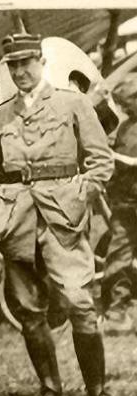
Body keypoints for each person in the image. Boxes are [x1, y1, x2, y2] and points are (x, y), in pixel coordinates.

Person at [0, 33, 124, 396]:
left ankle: (98, 394)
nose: (21, 72)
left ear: (41, 62)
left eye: (27, 63)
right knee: (28, 311)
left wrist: (80, 197)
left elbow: (99, 161)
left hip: (63, 219)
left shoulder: (72, 102)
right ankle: (51, 393)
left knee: (80, 303)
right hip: (17, 222)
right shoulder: (1, 114)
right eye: (13, 66)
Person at [101, 74, 137, 334]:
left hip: (127, 199)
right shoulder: (125, 129)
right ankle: (117, 311)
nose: (126, 107)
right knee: (118, 255)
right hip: (124, 202)